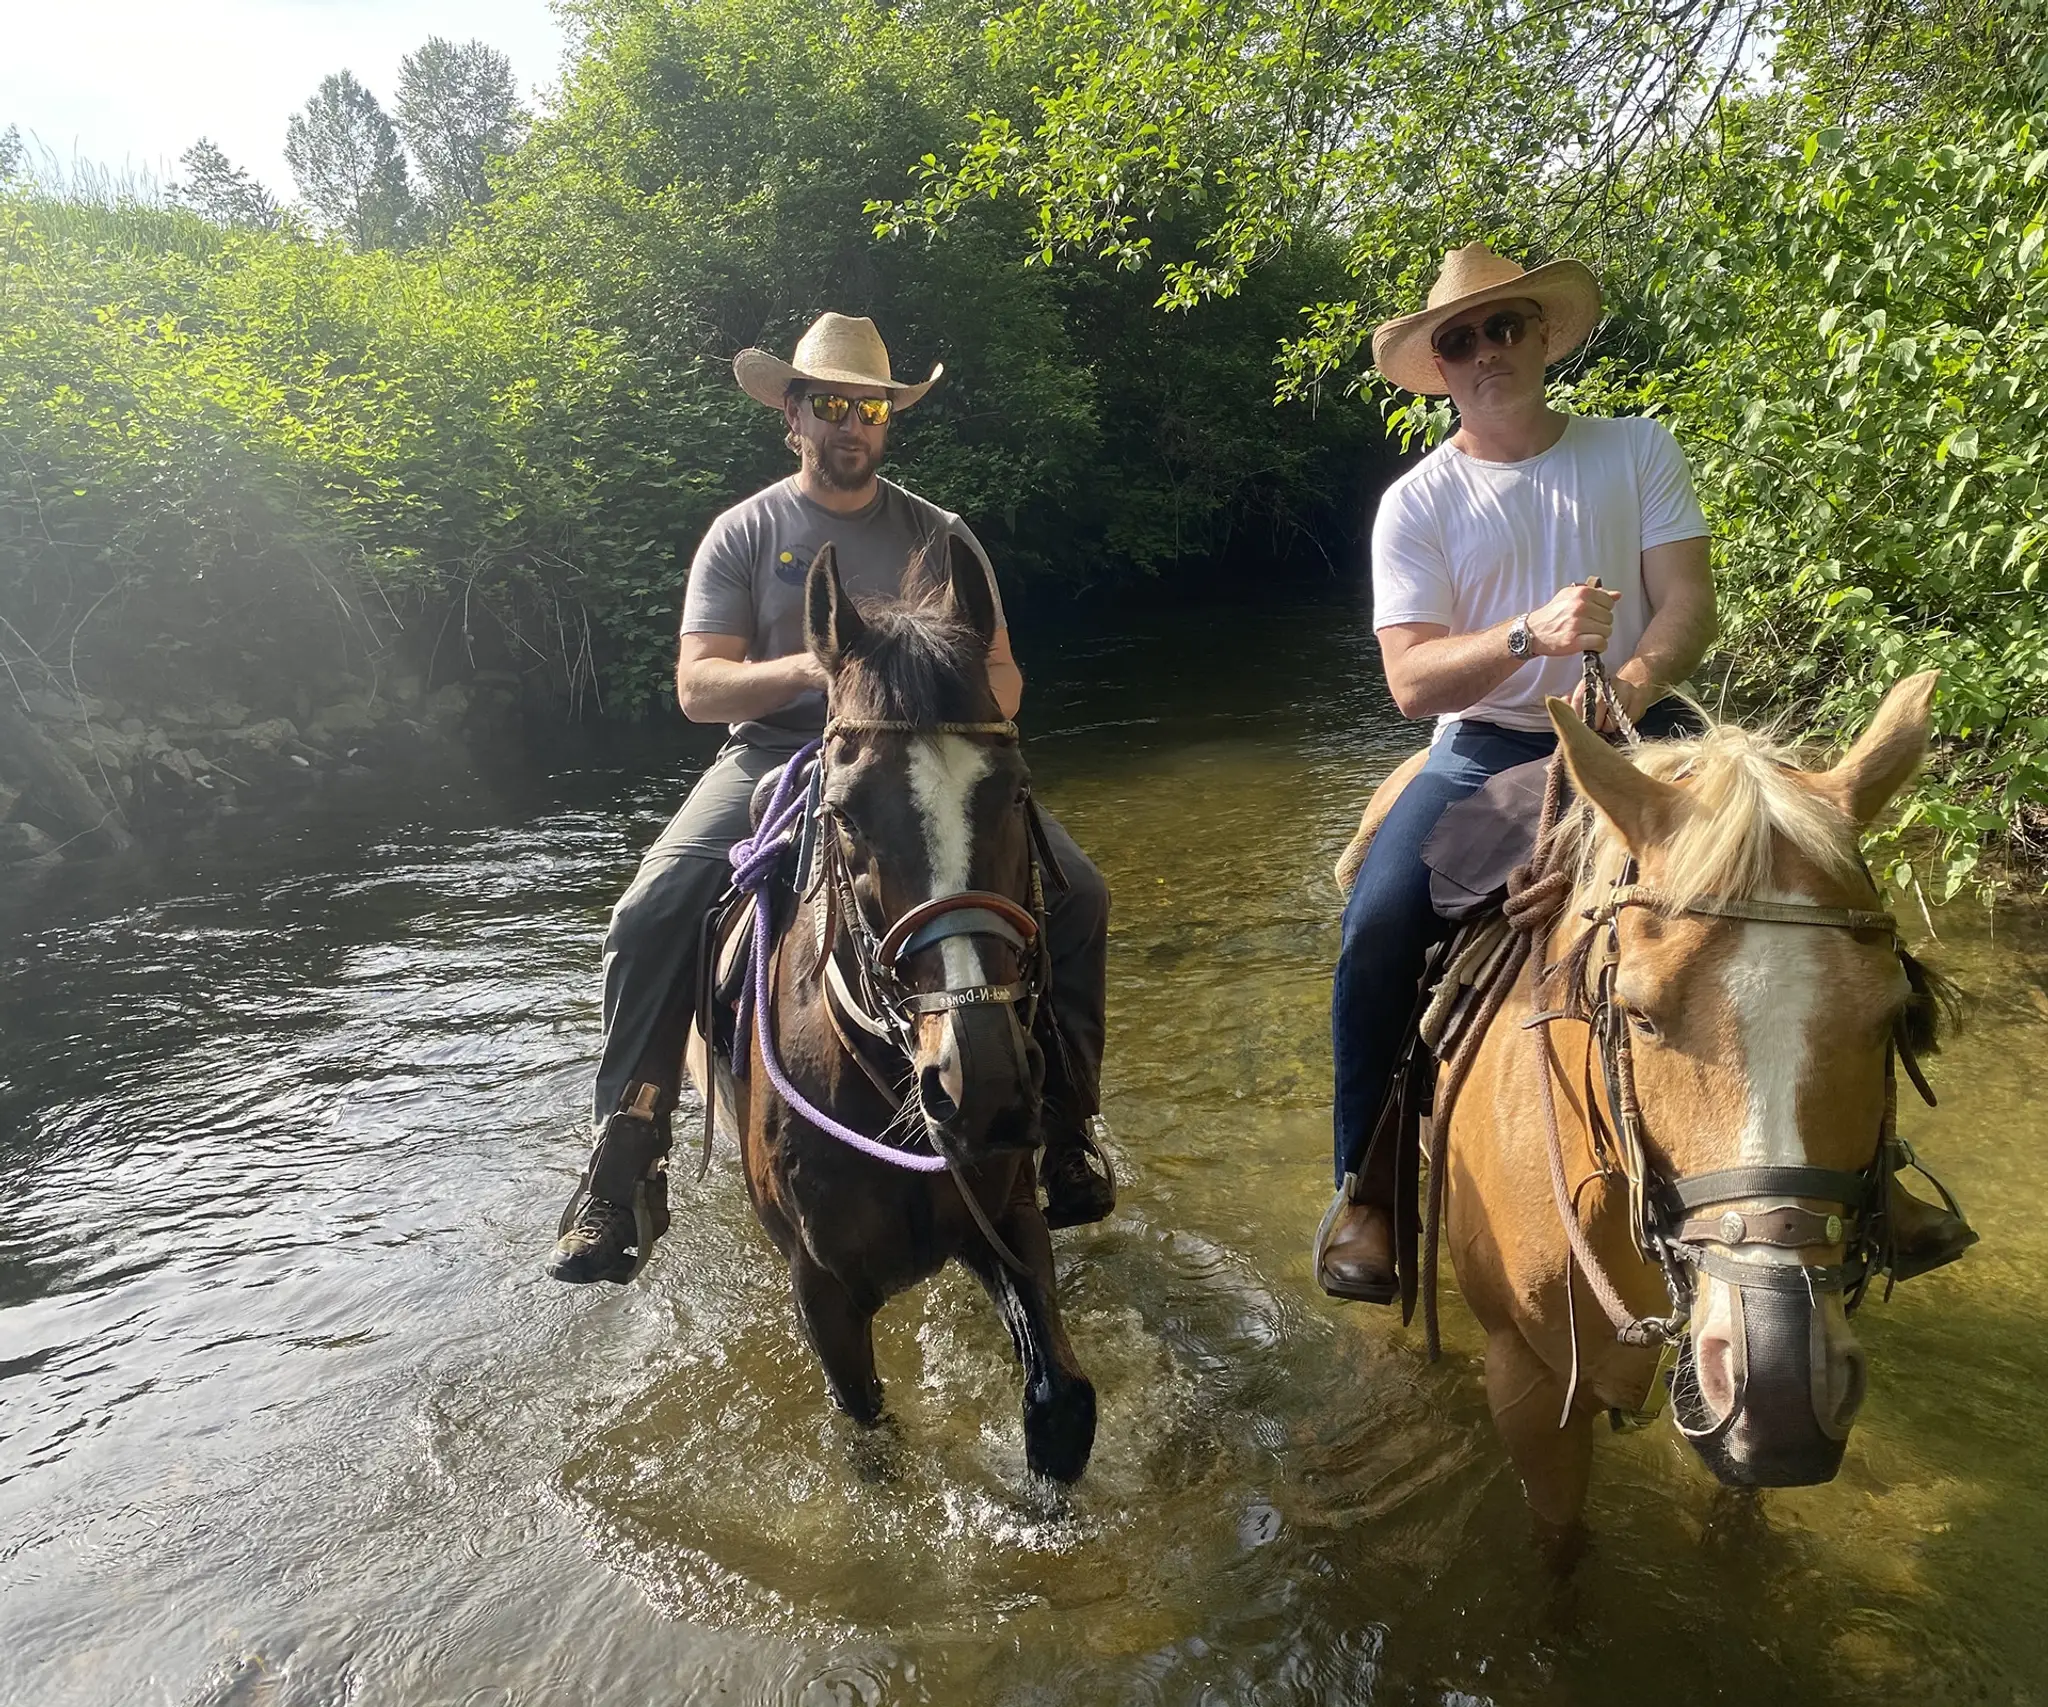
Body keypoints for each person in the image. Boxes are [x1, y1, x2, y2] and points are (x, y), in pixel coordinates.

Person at [1317, 242, 1975, 1303]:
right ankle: (1371, 1190)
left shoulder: (1633, 449)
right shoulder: (1417, 502)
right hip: (1487, 744)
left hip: (1643, 723)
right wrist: (1528, 638)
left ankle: (1873, 1170)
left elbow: (1684, 605)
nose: (1484, 350)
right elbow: (1410, 682)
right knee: (1380, 921)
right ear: (1437, 367)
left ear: (1541, 337)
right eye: (1459, 340)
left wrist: (1619, 688)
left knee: (1815, 885)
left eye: (1503, 327)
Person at [549, 312, 1115, 1284]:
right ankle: (625, 1154)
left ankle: (1065, 1126)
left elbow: (1006, 680)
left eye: (868, 408)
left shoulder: (938, 535)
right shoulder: (745, 532)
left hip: (916, 763)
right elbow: (697, 688)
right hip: (769, 757)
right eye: (829, 406)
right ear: (793, 417)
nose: (850, 424)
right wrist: (822, 672)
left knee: (1081, 894)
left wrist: (925, 696)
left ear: (886, 423)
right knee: (651, 907)